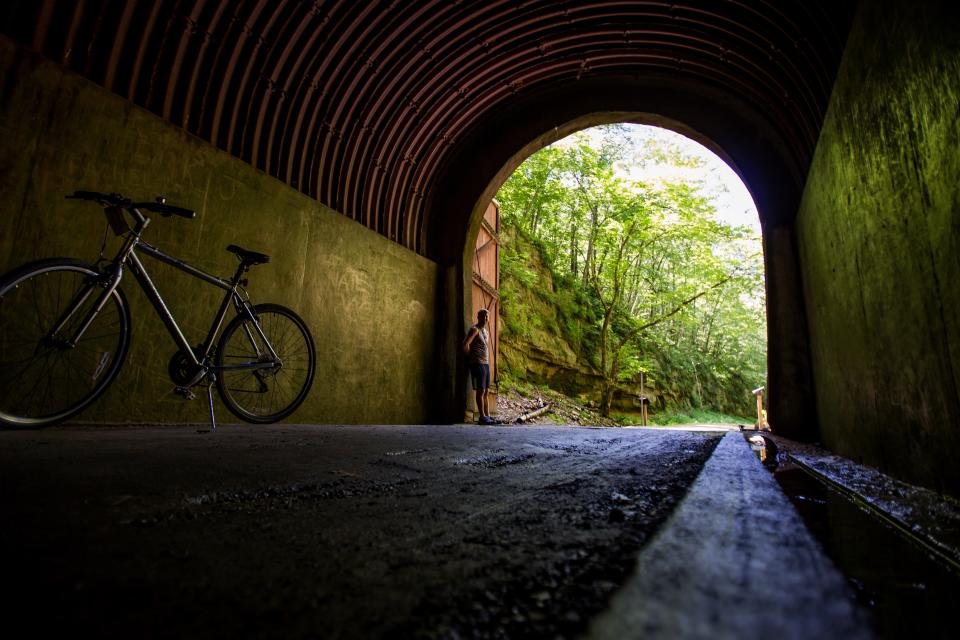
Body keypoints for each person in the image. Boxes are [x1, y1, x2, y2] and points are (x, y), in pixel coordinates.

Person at [463, 308, 494, 424]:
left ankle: (488, 416)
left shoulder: (485, 331)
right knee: (480, 391)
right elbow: (465, 345)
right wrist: (471, 359)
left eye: (487, 317)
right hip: (477, 364)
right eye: (483, 316)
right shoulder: (474, 330)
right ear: (478, 317)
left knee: (486, 391)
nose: (485, 319)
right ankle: (482, 417)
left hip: (485, 364)